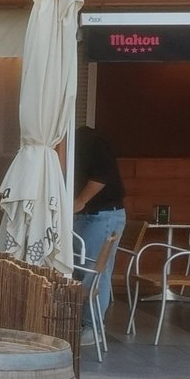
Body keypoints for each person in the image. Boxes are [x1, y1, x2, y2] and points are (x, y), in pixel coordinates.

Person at [72, 124, 126, 345]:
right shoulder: (74, 143)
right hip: (88, 216)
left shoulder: (89, 141)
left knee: (95, 274)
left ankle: (92, 327)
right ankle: (82, 323)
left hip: (102, 215)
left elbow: (101, 176)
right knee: (81, 272)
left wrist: (80, 201)